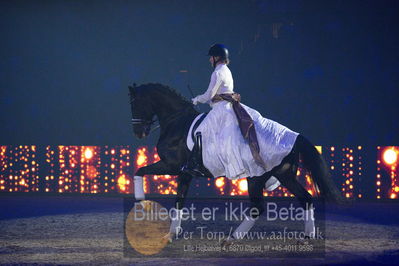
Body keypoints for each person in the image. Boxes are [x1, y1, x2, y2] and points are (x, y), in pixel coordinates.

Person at [182, 43, 299, 182]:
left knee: (199, 131)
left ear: (217, 57)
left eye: (211, 57)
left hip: (221, 109)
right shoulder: (226, 70)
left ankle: (195, 165)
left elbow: (209, 94)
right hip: (227, 106)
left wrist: (196, 100)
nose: (209, 60)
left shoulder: (217, 72)